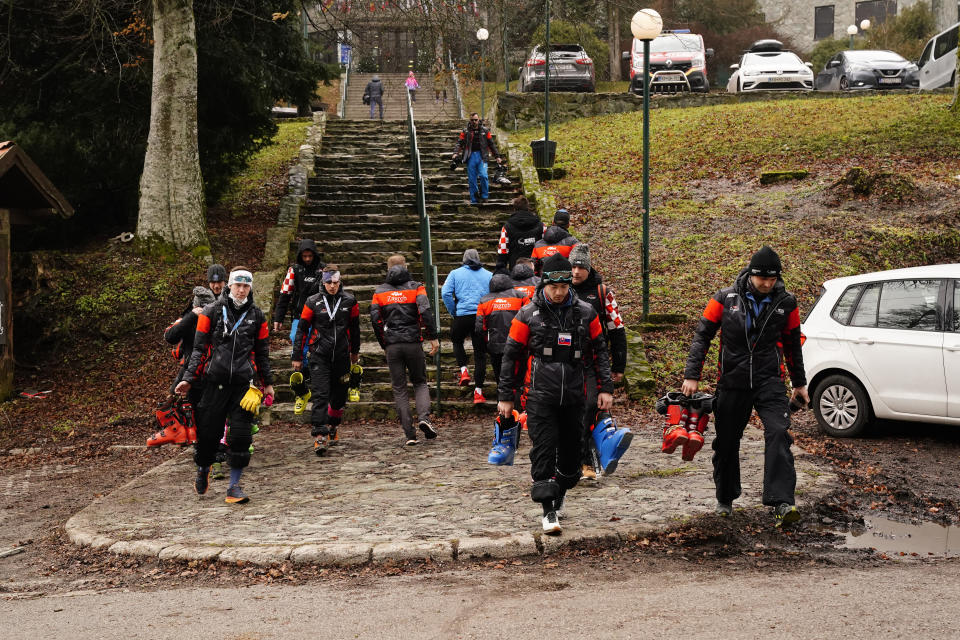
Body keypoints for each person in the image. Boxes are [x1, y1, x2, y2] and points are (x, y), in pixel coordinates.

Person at [681, 245, 809, 526]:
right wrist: (692, 375)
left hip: (769, 381)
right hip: (732, 381)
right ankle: (725, 499)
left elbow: (792, 345)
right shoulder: (725, 299)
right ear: (751, 274)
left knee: (778, 432)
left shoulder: (787, 303)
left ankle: (782, 502)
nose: (767, 284)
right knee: (726, 441)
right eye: (762, 278)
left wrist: (799, 383)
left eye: (772, 279)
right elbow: (702, 336)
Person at [498, 253, 614, 535]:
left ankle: (559, 491)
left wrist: (606, 389)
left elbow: (599, 351)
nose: (559, 293)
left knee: (573, 462)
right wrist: (505, 395)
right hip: (540, 397)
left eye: (564, 287)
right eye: (554, 287)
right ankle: (548, 511)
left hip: (575, 395)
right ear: (544, 285)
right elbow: (511, 355)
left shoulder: (586, 312)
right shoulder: (527, 314)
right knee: (544, 452)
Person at [176, 268, 274, 505]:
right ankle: (203, 468)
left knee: (241, 436)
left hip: (243, 385)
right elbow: (198, 349)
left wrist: (268, 384)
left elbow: (262, 353)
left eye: (246, 286)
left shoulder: (257, 316)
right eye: (238, 285)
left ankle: (234, 486)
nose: (241, 290)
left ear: (250, 288)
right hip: (214, 383)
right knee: (208, 436)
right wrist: (188, 379)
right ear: (229, 286)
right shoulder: (210, 312)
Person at [569, 244, 628, 479]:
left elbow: (617, 329)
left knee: (588, 412)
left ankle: (588, 463)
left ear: (589, 267)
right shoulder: (561, 289)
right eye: (572, 266)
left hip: (593, 361)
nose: (575, 272)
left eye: (580, 267)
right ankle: (576, 461)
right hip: (566, 362)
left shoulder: (602, 293)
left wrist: (618, 367)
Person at [370, 255, 440, 445]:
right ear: (406, 266)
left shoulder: (379, 292)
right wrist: (433, 336)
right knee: (420, 382)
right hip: (413, 342)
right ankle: (424, 418)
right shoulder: (416, 287)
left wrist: (384, 343)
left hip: (392, 344)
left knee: (399, 388)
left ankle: (409, 434)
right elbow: (425, 310)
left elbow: (375, 319)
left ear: (388, 268)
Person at [292, 265, 361, 455]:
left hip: (341, 355)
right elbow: (302, 330)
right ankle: (319, 435)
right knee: (321, 394)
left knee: (339, 396)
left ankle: (332, 426)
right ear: (323, 282)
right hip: (319, 355)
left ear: (340, 282)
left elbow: (355, 329)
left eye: (336, 282)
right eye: (329, 282)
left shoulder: (350, 301)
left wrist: (355, 351)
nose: (332, 286)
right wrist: (297, 355)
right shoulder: (312, 301)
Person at [476, 272, 529, 465]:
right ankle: (521, 415)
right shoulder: (520, 297)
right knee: (520, 380)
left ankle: (506, 420)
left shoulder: (484, 300)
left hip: (496, 347)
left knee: (502, 381)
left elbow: (480, 326)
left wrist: (486, 343)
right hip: (519, 346)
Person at [273, 239, 324, 414]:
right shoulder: (294, 270)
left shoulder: (323, 270)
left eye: (310, 256)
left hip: (319, 316)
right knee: (297, 341)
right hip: (299, 315)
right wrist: (278, 318)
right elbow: (285, 295)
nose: (308, 259)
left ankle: (318, 380)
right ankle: (304, 382)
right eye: (305, 256)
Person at [441, 249, 492, 403]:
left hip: (462, 315)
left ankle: (463, 370)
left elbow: (445, 293)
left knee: (457, 340)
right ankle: (478, 392)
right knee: (480, 354)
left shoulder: (455, 273)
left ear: (464, 260)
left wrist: (454, 311)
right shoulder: (489, 275)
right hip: (480, 316)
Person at [454, 112, 501, 205]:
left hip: (482, 156)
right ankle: (474, 199)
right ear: (470, 120)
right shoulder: (465, 131)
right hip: (470, 156)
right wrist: (455, 153)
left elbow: (491, 144)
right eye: (472, 120)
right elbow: (459, 143)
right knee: (472, 179)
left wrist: (497, 156)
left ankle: (484, 195)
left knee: (484, 175)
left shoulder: (485, 131)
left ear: (479, 120)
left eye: (476, 120)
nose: (474, 122)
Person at [495, 196, 544, 272]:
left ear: (514, 209)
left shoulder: (507, 226)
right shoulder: (541, 225)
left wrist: (501, 269)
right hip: (535, 269)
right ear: (528, 208)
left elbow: (503, 250)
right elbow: (545, 245)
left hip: (516, 270)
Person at [531, 210, 579, 274]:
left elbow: (533, 268)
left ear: (553, 222)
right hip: (566, 282)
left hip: (544, 282)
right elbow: (580, 264)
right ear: (568, 225)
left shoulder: (538, 244)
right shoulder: (573, 243)